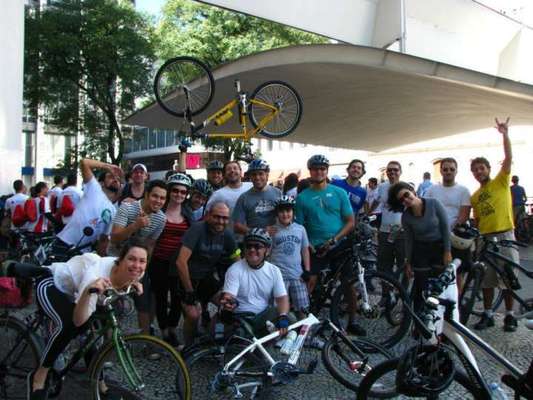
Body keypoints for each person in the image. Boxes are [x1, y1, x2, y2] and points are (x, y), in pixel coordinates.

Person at [27, 239, 148, 400]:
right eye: (131, 259)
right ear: (120, 259)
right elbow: (79, 320)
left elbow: (128, 278)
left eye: (142, 261)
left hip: (76, 292)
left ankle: (100, 384)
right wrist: (89, 291)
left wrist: (133, 284)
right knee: (68, 326)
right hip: (52, 282)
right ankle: (39, 376)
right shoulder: (95, 274)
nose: (137, 265)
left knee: (91, 334)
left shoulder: (137, 271)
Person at [295, 155, 362, 335]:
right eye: (315, 169)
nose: (319, 172)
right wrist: (308, 244)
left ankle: (353, 321)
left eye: (322, 169)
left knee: (348, 283)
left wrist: (334, 239)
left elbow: (350, 221)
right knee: (310, 282)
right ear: (310, 171)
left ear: (327, 171)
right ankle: (304, 321)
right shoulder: (302, 198)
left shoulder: (339, 193)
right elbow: (299, 226)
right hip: (315, 247)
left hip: (339, 245)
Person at [470, 117, 519, 332]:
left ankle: (510, 315)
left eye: (481, 168)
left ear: (489, 169)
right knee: (486, 279)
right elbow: (478, 220)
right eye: (475, 170)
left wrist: (505, 135)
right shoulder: (475, 196)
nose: (479, 172)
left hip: (505, 236)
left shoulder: (501, 181)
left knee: (509, 278)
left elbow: (508, 157)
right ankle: (488, 314)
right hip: (486, 239)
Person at [176, 202, 239, 345]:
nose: (221, 221)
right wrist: (189, 291)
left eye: (225, 218)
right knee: (193, 315)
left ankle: (214, 335)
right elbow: (180, 262)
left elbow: (237, 260)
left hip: (207, 278)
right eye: (217, 217)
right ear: (208, 215)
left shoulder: (227, 234)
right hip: (188, 277)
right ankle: (189, 347)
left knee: (226, 307)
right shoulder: (197, 229)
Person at [109, 179, 167, 335]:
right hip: (115, 260)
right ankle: (107, 342)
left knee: (144, 302)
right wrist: (135, 225)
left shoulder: (161, 219)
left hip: (136, 264)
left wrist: (144, 266)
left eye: (162, 198)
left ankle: (146, 340)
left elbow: (150, 245)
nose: (158, 201)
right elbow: (114, 238)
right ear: (146, 195)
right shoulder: (127, 208)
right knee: (108, 304)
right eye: (155, 196)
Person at [388, 182, 451, 312]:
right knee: (421, 286)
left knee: (438, 286)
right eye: (402, 200)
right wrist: (408, 262)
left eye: (406, 195)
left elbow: (445, 228)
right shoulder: (406, 217)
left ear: (412, 191)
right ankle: (418, 318)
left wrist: (447, 251)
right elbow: (409, 240)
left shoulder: (434, 203)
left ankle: (439, 316)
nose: (406, 199)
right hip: (421, 250)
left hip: (439, 247)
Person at [220, 228, 290, 337]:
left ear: (267, 250)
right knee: (240, 338)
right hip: (241, 318)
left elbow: (281, 298)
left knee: (290, 318)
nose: (252, 249)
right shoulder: (234, 269)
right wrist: (228, 304)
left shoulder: (274, 271)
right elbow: (229, 296)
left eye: (257, 246)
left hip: (263, 316)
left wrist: (283, 315)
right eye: (249, 246)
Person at [149, 174, 192, 346]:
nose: (179, 194)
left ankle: (173, 328)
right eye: (175, 190)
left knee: (176, 298)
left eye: (183, 192)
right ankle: (164, 331)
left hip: (178, 264)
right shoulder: (158, 211)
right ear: (169, 191)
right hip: (158, 261)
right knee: (160, 297)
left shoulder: (187, 214)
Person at [56, 159, 121, 257]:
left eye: (118, 179)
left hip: (83, 254)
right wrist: (108, 166)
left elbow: (103, 239)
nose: (115, 179)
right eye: (111, 177)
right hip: (64, 243)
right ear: (101, 183)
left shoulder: (114, 211)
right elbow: (84, 162)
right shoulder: (94, 189)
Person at [425, 158, 471, 291]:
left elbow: (463, 216)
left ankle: (457, 302)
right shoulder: (432, 190)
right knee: (436, 272)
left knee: (457, 275)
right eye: (445, 169)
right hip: (436, 237)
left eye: (452, 169)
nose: (448, 172)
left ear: (456, 171)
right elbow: (426, 210)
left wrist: (449, 232)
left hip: (456, 238)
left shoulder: (463, 190)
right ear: (441, 171)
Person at [269, 196, 311, 319]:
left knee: (303, 309)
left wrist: (307, 270)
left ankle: (303, 329)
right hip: (279, 277)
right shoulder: (273, 230)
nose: (285, 214)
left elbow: (305, 250)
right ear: (277, 213)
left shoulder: (300, 229)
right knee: (278, 310)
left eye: (288, 211)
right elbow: (267, 252)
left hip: (297, 275)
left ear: (293, 212)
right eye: (281, 211)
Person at [369, 161, 405, 280]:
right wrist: (368, 213)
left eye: (395, 170)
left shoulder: (406, 187)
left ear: (400, 172)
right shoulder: (382, 186)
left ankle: (402, 290)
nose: (392, 172)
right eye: (389, 170)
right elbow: (377, 200)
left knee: (403, 264)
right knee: (383, 264)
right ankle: (386, 290)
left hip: (402, 232)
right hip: (385, 231)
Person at [233, 159, 281, 236]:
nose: (257, 177)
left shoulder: (278, 193)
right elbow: (237, 227)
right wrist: (260, 232)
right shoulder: (244, 198)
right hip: (255, 242)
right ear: (250, 176)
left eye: (261, 174)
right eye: (254, 174)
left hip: (277, 240)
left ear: (267, 175)